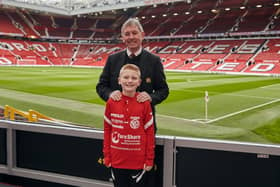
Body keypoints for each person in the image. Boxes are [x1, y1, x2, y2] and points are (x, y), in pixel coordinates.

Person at [96, 17, 169, 132]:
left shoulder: (154, 60)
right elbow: (101, 86)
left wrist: (151, 97)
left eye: (134, 33)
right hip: (117, 123)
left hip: (144, 125)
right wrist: (110, 94)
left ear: (142, 35)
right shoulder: (112, 59)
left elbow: (163, 90)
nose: (131, 37)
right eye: (127, 34)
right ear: (122, 38)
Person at [103, 64, 155, 187]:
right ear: (119, 80)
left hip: (138, 161)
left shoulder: (144, 103)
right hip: (116, 161)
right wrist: (107, 156)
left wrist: (149, 159)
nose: (129, 81)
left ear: (139, 82)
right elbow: (107, 130)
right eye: (126, 77)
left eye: (133, 78)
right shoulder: (112, 101)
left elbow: (150, 132)